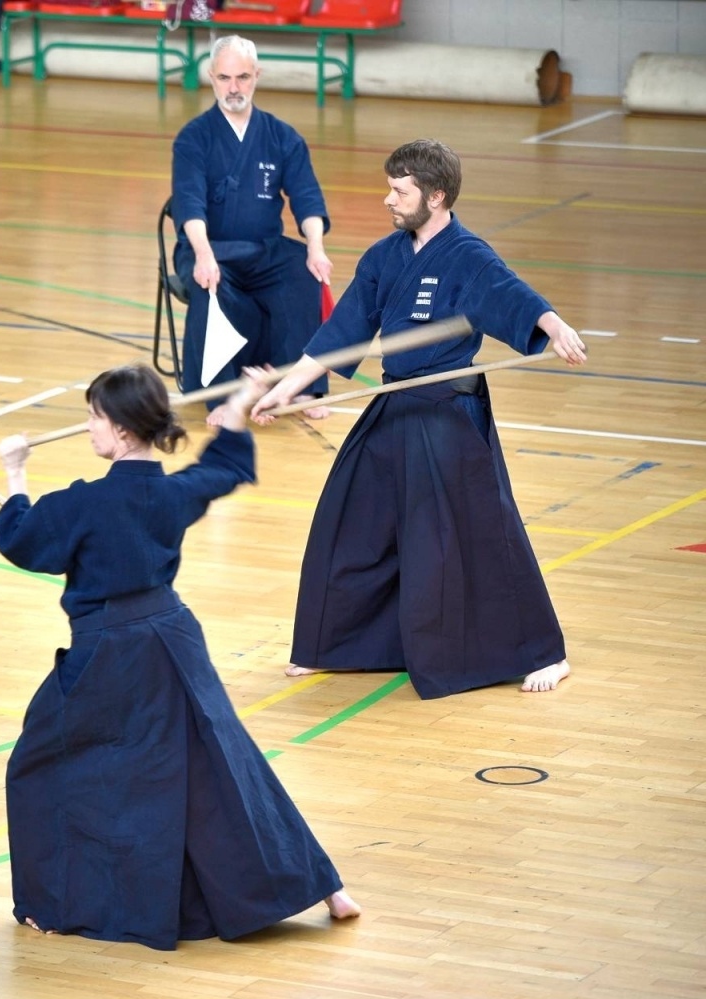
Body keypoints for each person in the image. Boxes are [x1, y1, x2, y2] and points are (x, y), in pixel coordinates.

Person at [0, 364, 358, 950]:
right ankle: (323, 887)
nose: (89, 428)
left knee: (40, 765)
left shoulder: (83, 505)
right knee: (223, 763)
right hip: (176, 639)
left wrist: (15, 472)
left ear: (121, 431)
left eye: (94, 417)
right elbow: (227, 467)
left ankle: (57, 899)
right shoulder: (172, 493)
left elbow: (21, 539)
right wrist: (240, 402)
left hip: (112, 653)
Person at [251, 139, 587, 699]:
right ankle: (341, 647)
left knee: (480, 536)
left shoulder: (468, 255)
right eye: (390, 187)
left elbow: (512, 296)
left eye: (399, 191)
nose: (388, 199)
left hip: (447, 414)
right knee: (350, 524)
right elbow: (338, 338)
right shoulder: (385, 257)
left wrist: (554, 327)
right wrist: (282, 391)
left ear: (436, 196)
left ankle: (543, 651)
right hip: (396, 405)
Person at [171, 35, 331, 419]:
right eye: (224, 78)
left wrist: (316, 247)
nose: (234, 88)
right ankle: (223, 398)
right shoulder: (194, 137)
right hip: (208, 249)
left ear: (257, 75)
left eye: (242, 77)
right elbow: (188, 203)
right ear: (211, 77)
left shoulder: (282, 136)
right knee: (209, 282)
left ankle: (298, 385)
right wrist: (204, 255)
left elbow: (307, 197)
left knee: (304, 274)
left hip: (263, 249)